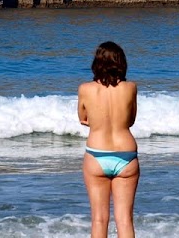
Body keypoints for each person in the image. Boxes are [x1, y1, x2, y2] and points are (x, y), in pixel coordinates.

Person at [78, 41, 139, 238]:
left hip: (97, 154)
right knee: (125, 220)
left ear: (97, 63)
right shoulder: (130, 88)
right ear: (121, 63)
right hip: (126, 155)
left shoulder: (85, 89)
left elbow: (82, 119)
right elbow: (130, 120)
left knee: (99, 219)